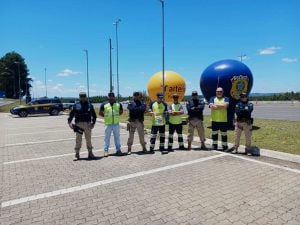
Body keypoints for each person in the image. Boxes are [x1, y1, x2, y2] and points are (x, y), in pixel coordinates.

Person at [68, 92, 96, 161]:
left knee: (88, 139)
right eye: (81, 96)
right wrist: (69, 122)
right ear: (79, 97)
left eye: (84, 96)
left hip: (88, 124)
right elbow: (71, 114)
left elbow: (94, 115)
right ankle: (77, 154)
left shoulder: (89, 105)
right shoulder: (76, 105)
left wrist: (93, 123)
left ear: (86, 97)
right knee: (78, 140)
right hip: (78, 124)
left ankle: (90, 153)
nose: (83, 98)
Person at [99, 92, 123, 157]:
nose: (111, 98)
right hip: (108, 124)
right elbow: (100, 112)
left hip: (116, 124)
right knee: (107, 138)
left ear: (114, 97)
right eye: (110, 96)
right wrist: (106, 117)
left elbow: (121, 112)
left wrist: (116, 116)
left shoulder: (118, 104)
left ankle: (118, 150)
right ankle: (106, 151)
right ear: (108, 97)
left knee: (117, 138)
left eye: (112, 96)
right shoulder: (104, 104)